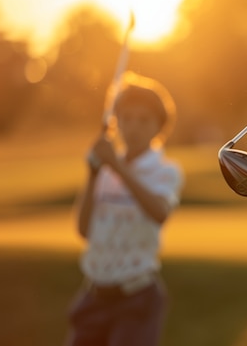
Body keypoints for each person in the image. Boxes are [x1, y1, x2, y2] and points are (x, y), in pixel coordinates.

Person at [65, 72, 183, 346]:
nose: (133, 127)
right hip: (94, 296)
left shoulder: (166, 171)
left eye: (144, 120)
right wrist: (93, 172)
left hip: (137, 298)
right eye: (126, 119)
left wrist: (115, 166)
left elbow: (159, 213)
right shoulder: (102, 171)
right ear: (115, 123)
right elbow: (84, 230)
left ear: (159, 127)